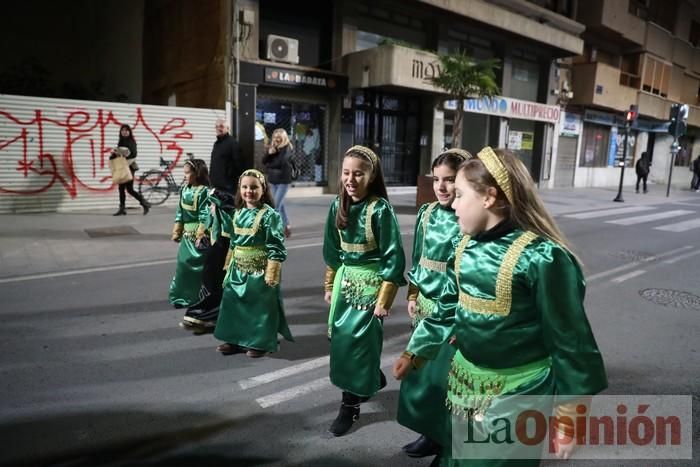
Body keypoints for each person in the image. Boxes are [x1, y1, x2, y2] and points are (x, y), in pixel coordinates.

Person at [393, 147, 607, 466]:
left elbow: (571, 343)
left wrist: (568, 416)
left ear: (489, 197)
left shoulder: (542, 258)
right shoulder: (464, 246)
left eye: (461, 194)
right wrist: (417, 350)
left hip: (517, 394)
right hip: (465, 388)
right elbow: (447, 308)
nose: (453, 205)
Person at [323, 145, 406, 437]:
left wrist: (384, 298)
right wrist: (330, 285)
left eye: (358, 173)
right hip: (345, 286)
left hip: (371, 291)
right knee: (343, 344)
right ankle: (369, 378)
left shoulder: (380, 209)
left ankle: (350, 408)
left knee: (360, 345)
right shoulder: (337, 206)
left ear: (372, 176)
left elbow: (393, 257)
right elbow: (332, 251)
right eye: (346, 173)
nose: (351, 179)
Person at [397, 149, 471, 461]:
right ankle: (428, 432)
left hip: (451, 311)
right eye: (437, 180)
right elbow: (418, 257)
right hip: (427, 307)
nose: (441, 187)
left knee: (444, 380)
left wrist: (465, 320)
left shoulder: (467, 216)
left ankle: (444, 437)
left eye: (450, 180)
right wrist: (413, 294)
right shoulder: (427, 213)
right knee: (422, 377)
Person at [214, 169, 294, 358]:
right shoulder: (238, 213)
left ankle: (260, 342)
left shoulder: (270, 215)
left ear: (263, 189)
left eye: (253, 187)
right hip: (238, 268)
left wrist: (271, 272)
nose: (248, 191)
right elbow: (233, 241)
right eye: (244, 187)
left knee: (259, 307)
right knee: (234, 303)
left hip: (261, 269)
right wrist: (228, 265)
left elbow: (276, 245)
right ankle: (235, 340)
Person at [179, 187, 236, 333]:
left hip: (222, 262)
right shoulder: (215, 226)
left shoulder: (225, 234)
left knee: (215, 288)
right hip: (215, 257)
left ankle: (201, 316)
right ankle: (204, 316)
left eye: (212, 205)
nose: (210, 208)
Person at [168, 159, 211, 308]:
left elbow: (205, 214)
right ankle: (181, 296)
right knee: (183, 265)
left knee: (197, 268)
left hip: (198, 237)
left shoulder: (204, 191)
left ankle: (197, 297)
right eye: (184, 172)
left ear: (197, 173)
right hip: (186, 236)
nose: (185, 175)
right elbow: (180, 212)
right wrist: (177, 230)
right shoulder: (184, 190)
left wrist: (201, 233)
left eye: (188, 172)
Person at [112, 124, 150, 216]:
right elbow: (119, 154)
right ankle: (122, 208)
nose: (124, 132)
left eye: (126, 130)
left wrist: (123, 153)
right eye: (122, 130)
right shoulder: (121, 141)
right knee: (121, 188)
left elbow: (133, 154)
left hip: (129, 167)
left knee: (129, 189)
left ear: (129, 132)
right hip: (122, 166)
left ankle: (144, 203)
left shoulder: (131, 141)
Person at [263, 128, 293, 238]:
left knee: (275, 206)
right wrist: (270, 154)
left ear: (284, 138)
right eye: (275, 137)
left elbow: (280, 163)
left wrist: (271, 161)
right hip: (273, 180)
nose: (277, 139)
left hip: (283, 181)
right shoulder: (273, 148)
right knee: (280, 206)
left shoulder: (287, 148)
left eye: (279, 137)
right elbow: (264, 161)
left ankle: (273, 230)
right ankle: (286, 226)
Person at [210, 119, 242, 195]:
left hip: (227, 186)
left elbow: (239, 164)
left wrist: (230, 178)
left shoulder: (233, 143)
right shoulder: (216, 144)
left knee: (227, 206)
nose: (218, 129)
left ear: (227, 128)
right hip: (215, 184)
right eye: (216, 127)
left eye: (221, 126)